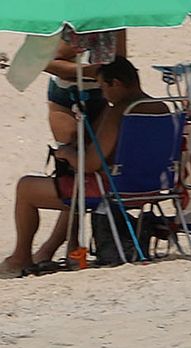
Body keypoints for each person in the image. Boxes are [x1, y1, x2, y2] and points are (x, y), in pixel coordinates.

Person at [4, 56, 146, 276]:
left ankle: (20, 257)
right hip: (151, 187)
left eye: (102, 88)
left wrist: (67, 154)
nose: (104, 95)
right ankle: (64, 247)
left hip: (112, 189)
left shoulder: (118, 112)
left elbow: (90, 164)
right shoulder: (163, 106)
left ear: (115, 83)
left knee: (26, 187)